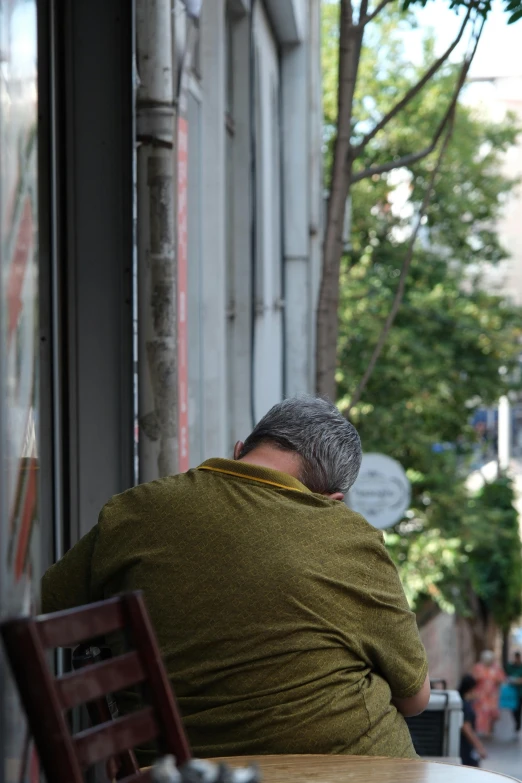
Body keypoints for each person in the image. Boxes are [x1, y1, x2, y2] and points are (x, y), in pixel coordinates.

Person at [42, 396, 430, 762]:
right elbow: (414, 699)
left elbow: (48, 607)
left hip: (171, 770)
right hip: (347, 770)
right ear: (332, 500)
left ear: (239, 450)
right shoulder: (347, 537)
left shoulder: (132, 510)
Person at [471, 650, 505, 737]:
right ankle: (482, 729)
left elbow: (501, 679)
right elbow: (474, 679)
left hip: (492, 695)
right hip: (481, 694)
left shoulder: (496, 668)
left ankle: (490, 728)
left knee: (492, 712)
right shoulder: (478, 667)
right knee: (482, 712)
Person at [459, 674, 487, 767]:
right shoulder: (465, 705)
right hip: (464, 748)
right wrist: (479, 746)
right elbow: (466, 728)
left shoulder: (463, 703)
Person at [506, 651, 522, 733]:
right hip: (513, 692)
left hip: (520, 692)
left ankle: (518, 725)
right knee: (514, 710)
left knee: (518, 710)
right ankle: (517, 724)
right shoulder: (511, 667)